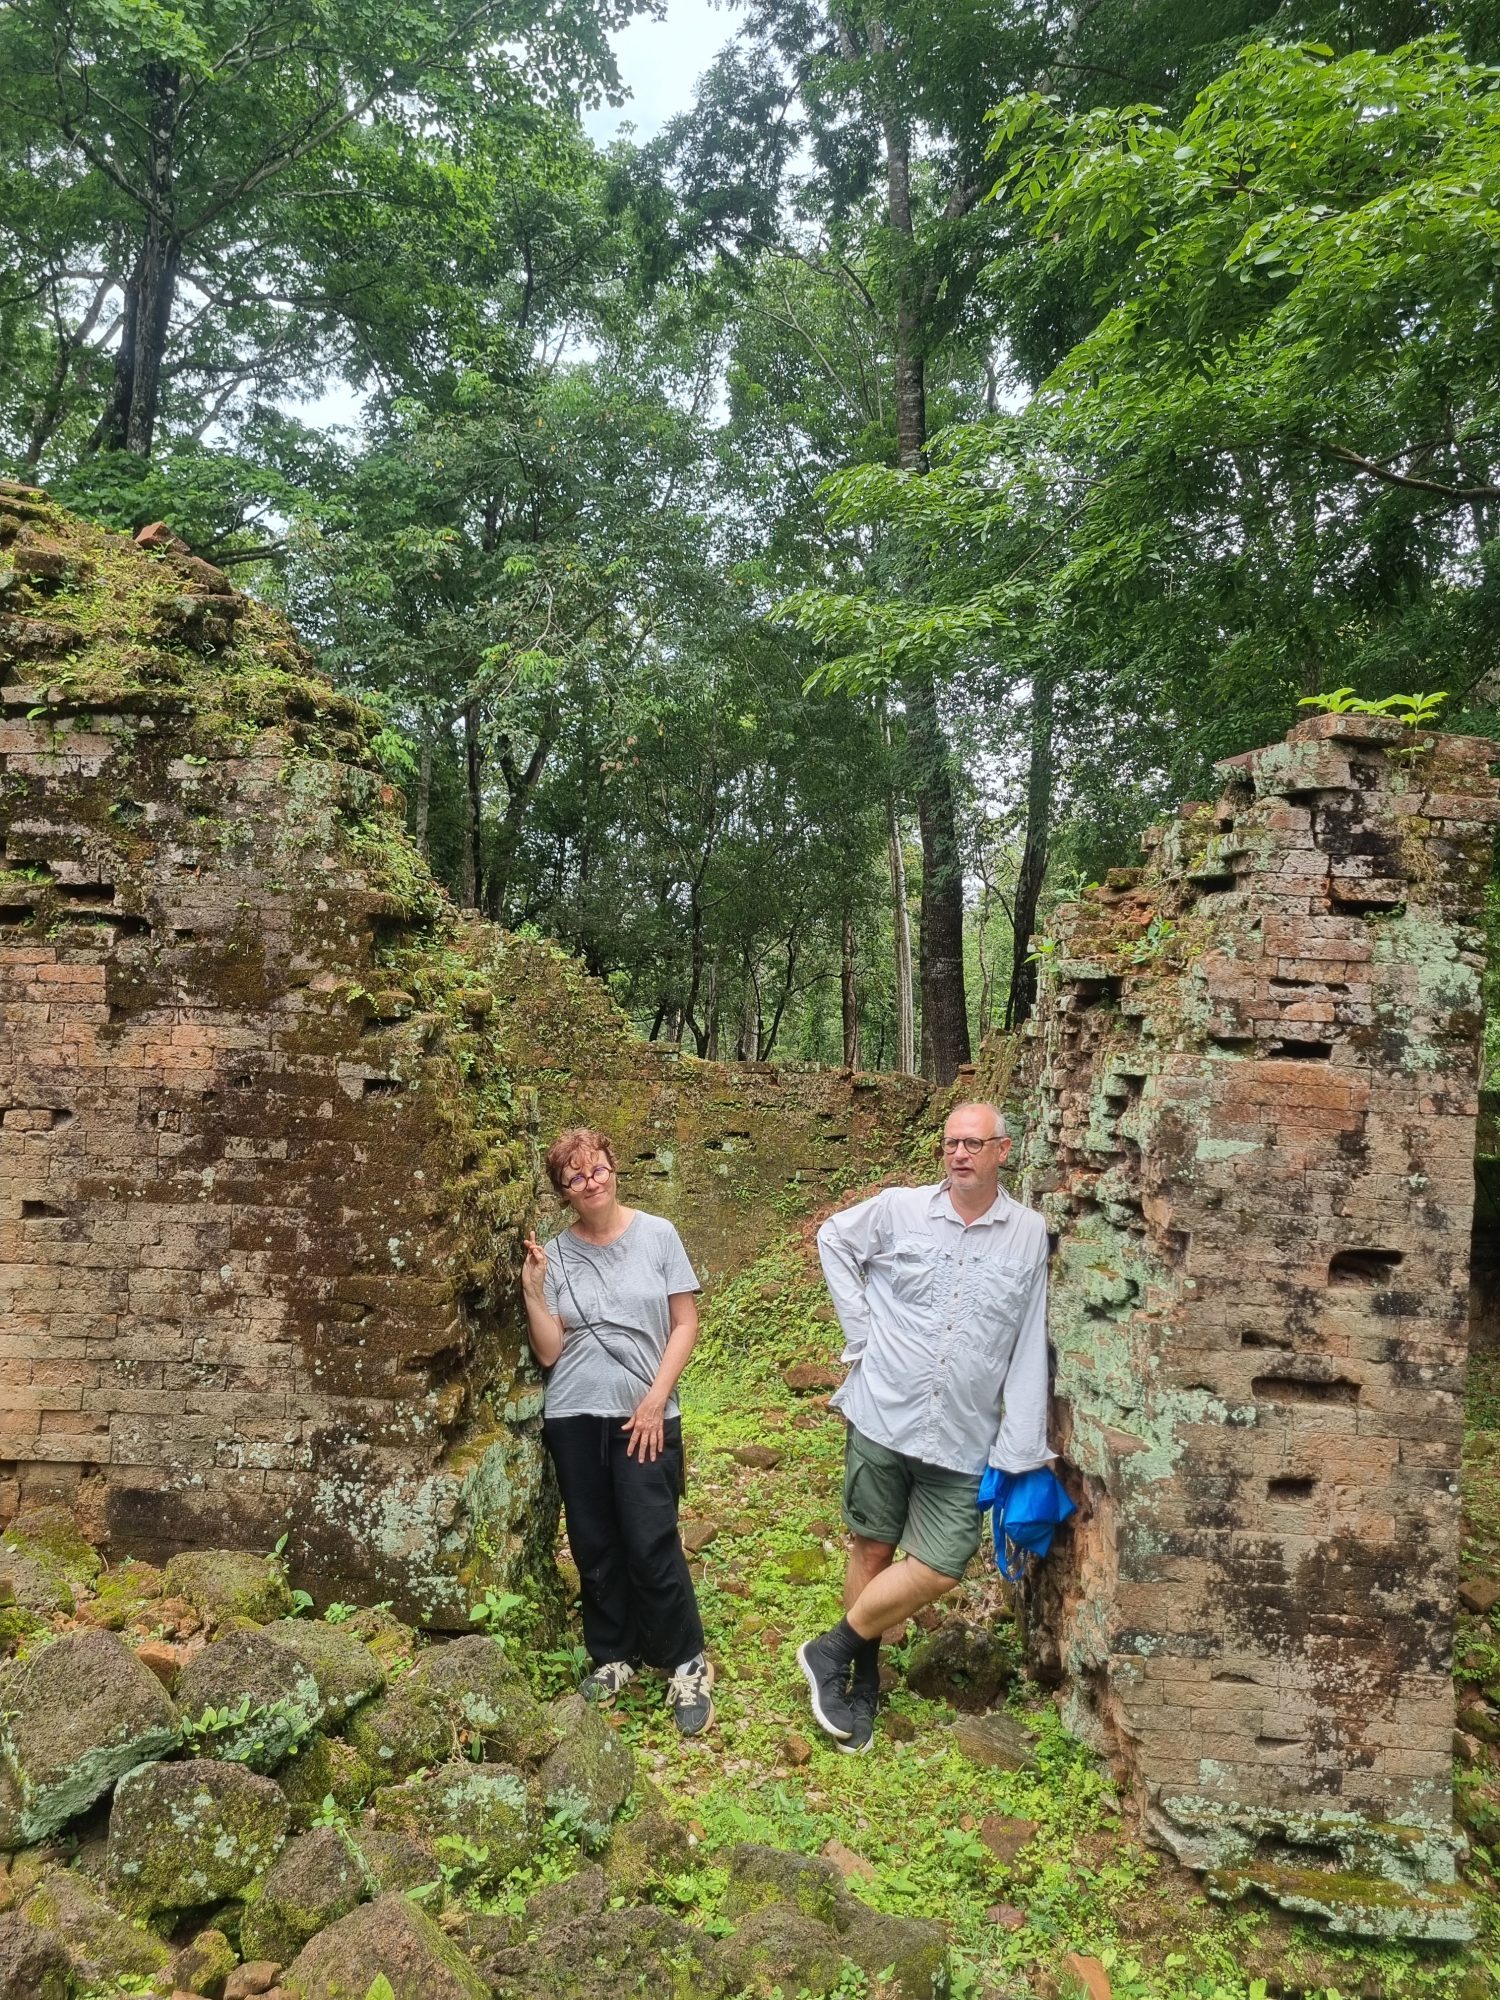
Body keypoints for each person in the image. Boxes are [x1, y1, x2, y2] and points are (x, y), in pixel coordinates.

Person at [797, 1100, 1053, 1753]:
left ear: (1003, 1150)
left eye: (973, 1143)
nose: (959, 1154)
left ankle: (830, 1651)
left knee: (941, 1563)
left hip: (965, 1435)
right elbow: (833, 1238)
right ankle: (861, 1685)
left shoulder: (1029, 1235)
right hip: (884, 1413)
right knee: (872, 1549)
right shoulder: (900, 1209)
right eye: (951, 1143)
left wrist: (1022, 1442)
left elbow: (1029, 1340)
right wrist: (861, 1335)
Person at [521, 1125, 715, 1736]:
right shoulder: (555, 1254)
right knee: (594, 1541)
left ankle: (685, 1659)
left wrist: (657, 1400)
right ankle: (614, 1654)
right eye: (574, 1177)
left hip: (644, 1414)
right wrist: (534, 1292)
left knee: (650, 1537)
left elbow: (684, 1324)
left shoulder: (658, 1235)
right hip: (574, 1413)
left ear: (613, 1168)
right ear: (563, 1192)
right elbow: (549, 1351)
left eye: (597, 1168)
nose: (590, 1182)